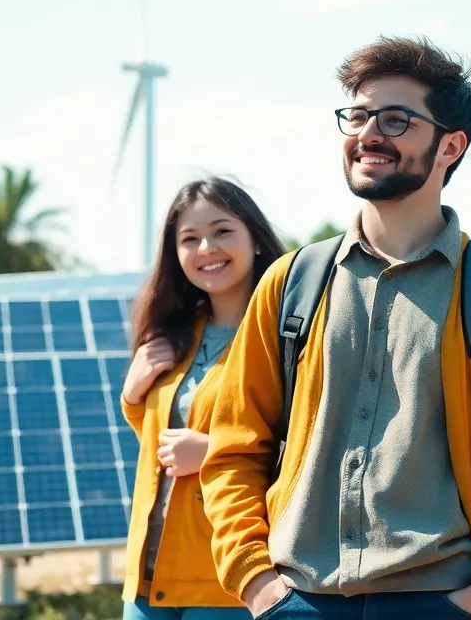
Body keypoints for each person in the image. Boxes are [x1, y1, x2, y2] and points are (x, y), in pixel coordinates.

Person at [199, 36, 471, 620]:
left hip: (446, 602)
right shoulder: (291, 283)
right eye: (358, 116)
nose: (368, 134)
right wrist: (256, 581)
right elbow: (233, 449)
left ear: (450, 146)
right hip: (296, 600)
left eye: (395, 120)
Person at [120, 177, 286, 620]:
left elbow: (310, 445)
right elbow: (164, 446)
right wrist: (133, 398)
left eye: (222, 231)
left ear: (255, 239)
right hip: (149, 577)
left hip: (228, 579)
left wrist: (213, 452)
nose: (206, 248)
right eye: (189, 238)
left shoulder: (285, 338)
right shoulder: (172, 336)